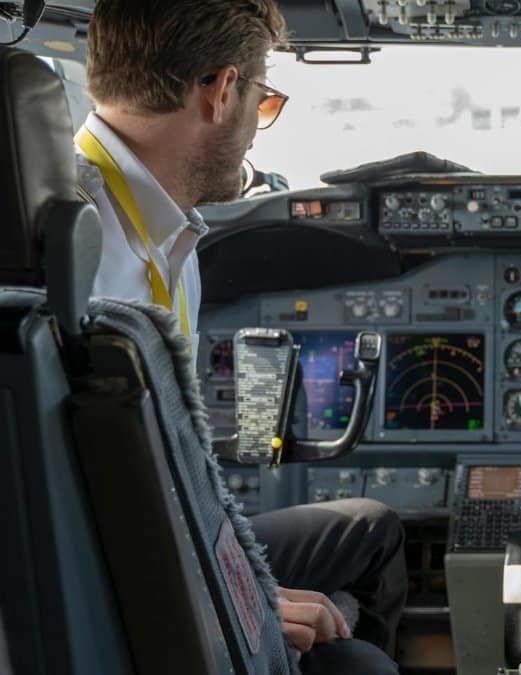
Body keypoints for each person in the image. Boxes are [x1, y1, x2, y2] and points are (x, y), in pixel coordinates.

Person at [76, 1, 407, 672]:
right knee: (360, 665)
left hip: (165, 531)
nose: (259, 127)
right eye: (264, 100)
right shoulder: (74, 252)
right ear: (222, 91)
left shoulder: (158, 229)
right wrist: (227, 603)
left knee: (370, 529)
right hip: (116, 580)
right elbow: (78, 509)